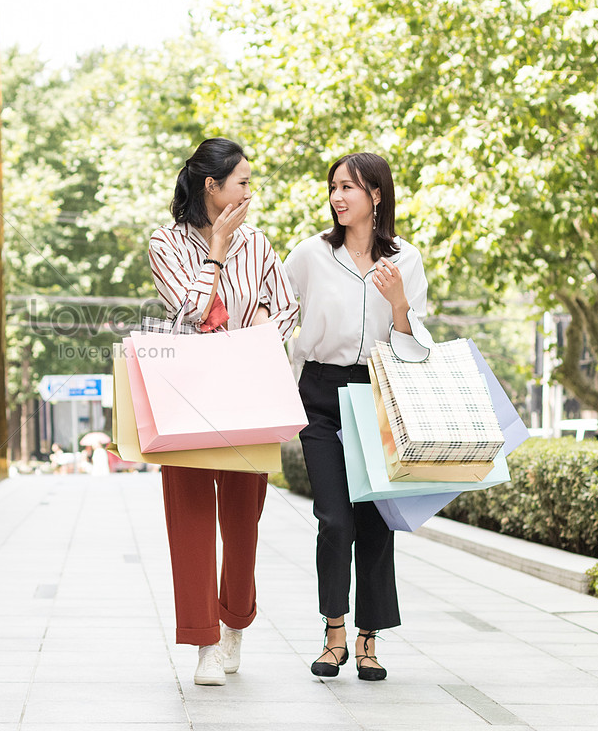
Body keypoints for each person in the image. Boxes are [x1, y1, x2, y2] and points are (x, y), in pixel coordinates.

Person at [148, 137, 299, 686]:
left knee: (242, 521)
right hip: (186, 394)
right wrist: (216, 246)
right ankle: (203, 643)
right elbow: (188, 307)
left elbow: (286, 308)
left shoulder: (258, 245)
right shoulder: (165, 242)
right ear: (212, 187)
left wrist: (258, 331)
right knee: (187, 519)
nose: (249, 193)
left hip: (248, 392)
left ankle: (233, 622)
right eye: (242, 183)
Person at [283, 152, 432, 682]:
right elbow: (276, 311)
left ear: (376, 194)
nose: (337, 196)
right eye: (334, 187)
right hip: (320, 393)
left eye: (349, 187)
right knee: (334, 517)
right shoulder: (310, 254)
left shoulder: (406, 260)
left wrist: (397, 304)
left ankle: (370, 641)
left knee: (373, 521)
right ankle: (334, 632)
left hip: (377, 392)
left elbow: (415, 350)